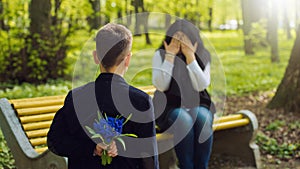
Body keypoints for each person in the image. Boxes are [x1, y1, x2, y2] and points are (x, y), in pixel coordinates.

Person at [47, 23, 159, 169]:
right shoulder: (140, 101)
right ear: (128, 59)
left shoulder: (76, 96)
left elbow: (55, 141)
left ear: (96, 57)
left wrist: (92, 147)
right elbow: (149, 157)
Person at [152, 19, 215, 169]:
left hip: (198, 103)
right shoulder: (159, 55)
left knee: (203, 118)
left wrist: (190, 57)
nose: (180, 43)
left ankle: (202, 166)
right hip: (169, 106)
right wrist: (170, 57)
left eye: (184, 39)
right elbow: (161, 86)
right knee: (183, 120)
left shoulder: (203, 55)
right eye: (176, 39)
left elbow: (201, 86)